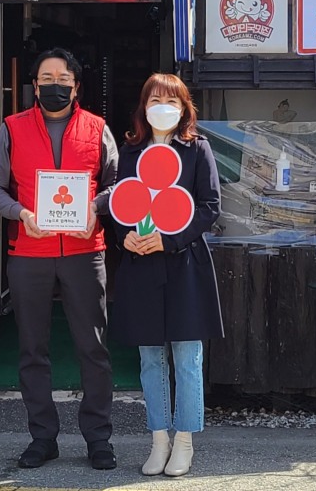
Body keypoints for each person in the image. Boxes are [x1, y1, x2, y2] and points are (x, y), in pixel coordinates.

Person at [0, 48, 118, 471]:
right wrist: (20, 213)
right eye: (46, 79)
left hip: (84, 251)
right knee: (32, 349)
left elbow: (118, 186)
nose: (54, 85)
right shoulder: (12, 128)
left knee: (93, 348)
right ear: (34, 85)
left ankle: (99, 438)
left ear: (76, 86)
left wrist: (95, 207)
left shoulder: (97, 128)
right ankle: (42, 437)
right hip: (29, 251)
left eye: (63, 79)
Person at [110, 72, 223, 478]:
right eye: (155, 100)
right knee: (150, 358)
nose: (163, 108)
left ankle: (185, 441)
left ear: (184, 108)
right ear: (143, 107)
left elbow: (210, 207)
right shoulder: (130, 151)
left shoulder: (198, 148)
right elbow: (119, 203)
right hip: (141, 264)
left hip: (184, 264)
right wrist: (125, 237)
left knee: (187, 357)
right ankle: (158, 440)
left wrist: (169, 240)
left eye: (172, 101)